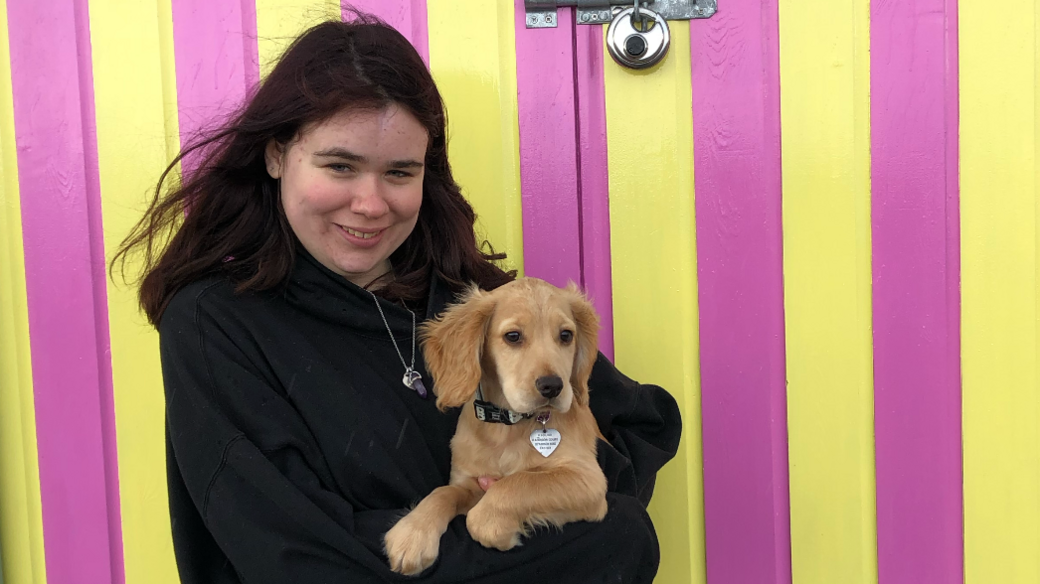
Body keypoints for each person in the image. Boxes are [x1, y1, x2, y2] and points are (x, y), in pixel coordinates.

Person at [112, 11, 681, 584]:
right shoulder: (219, 323)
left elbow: (640, 427)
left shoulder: (472, 299)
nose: (371, 203)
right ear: (276, 154)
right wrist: (595, 540)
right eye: (340, 165)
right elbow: (293, 555)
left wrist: (549, 481)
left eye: (400, 173)